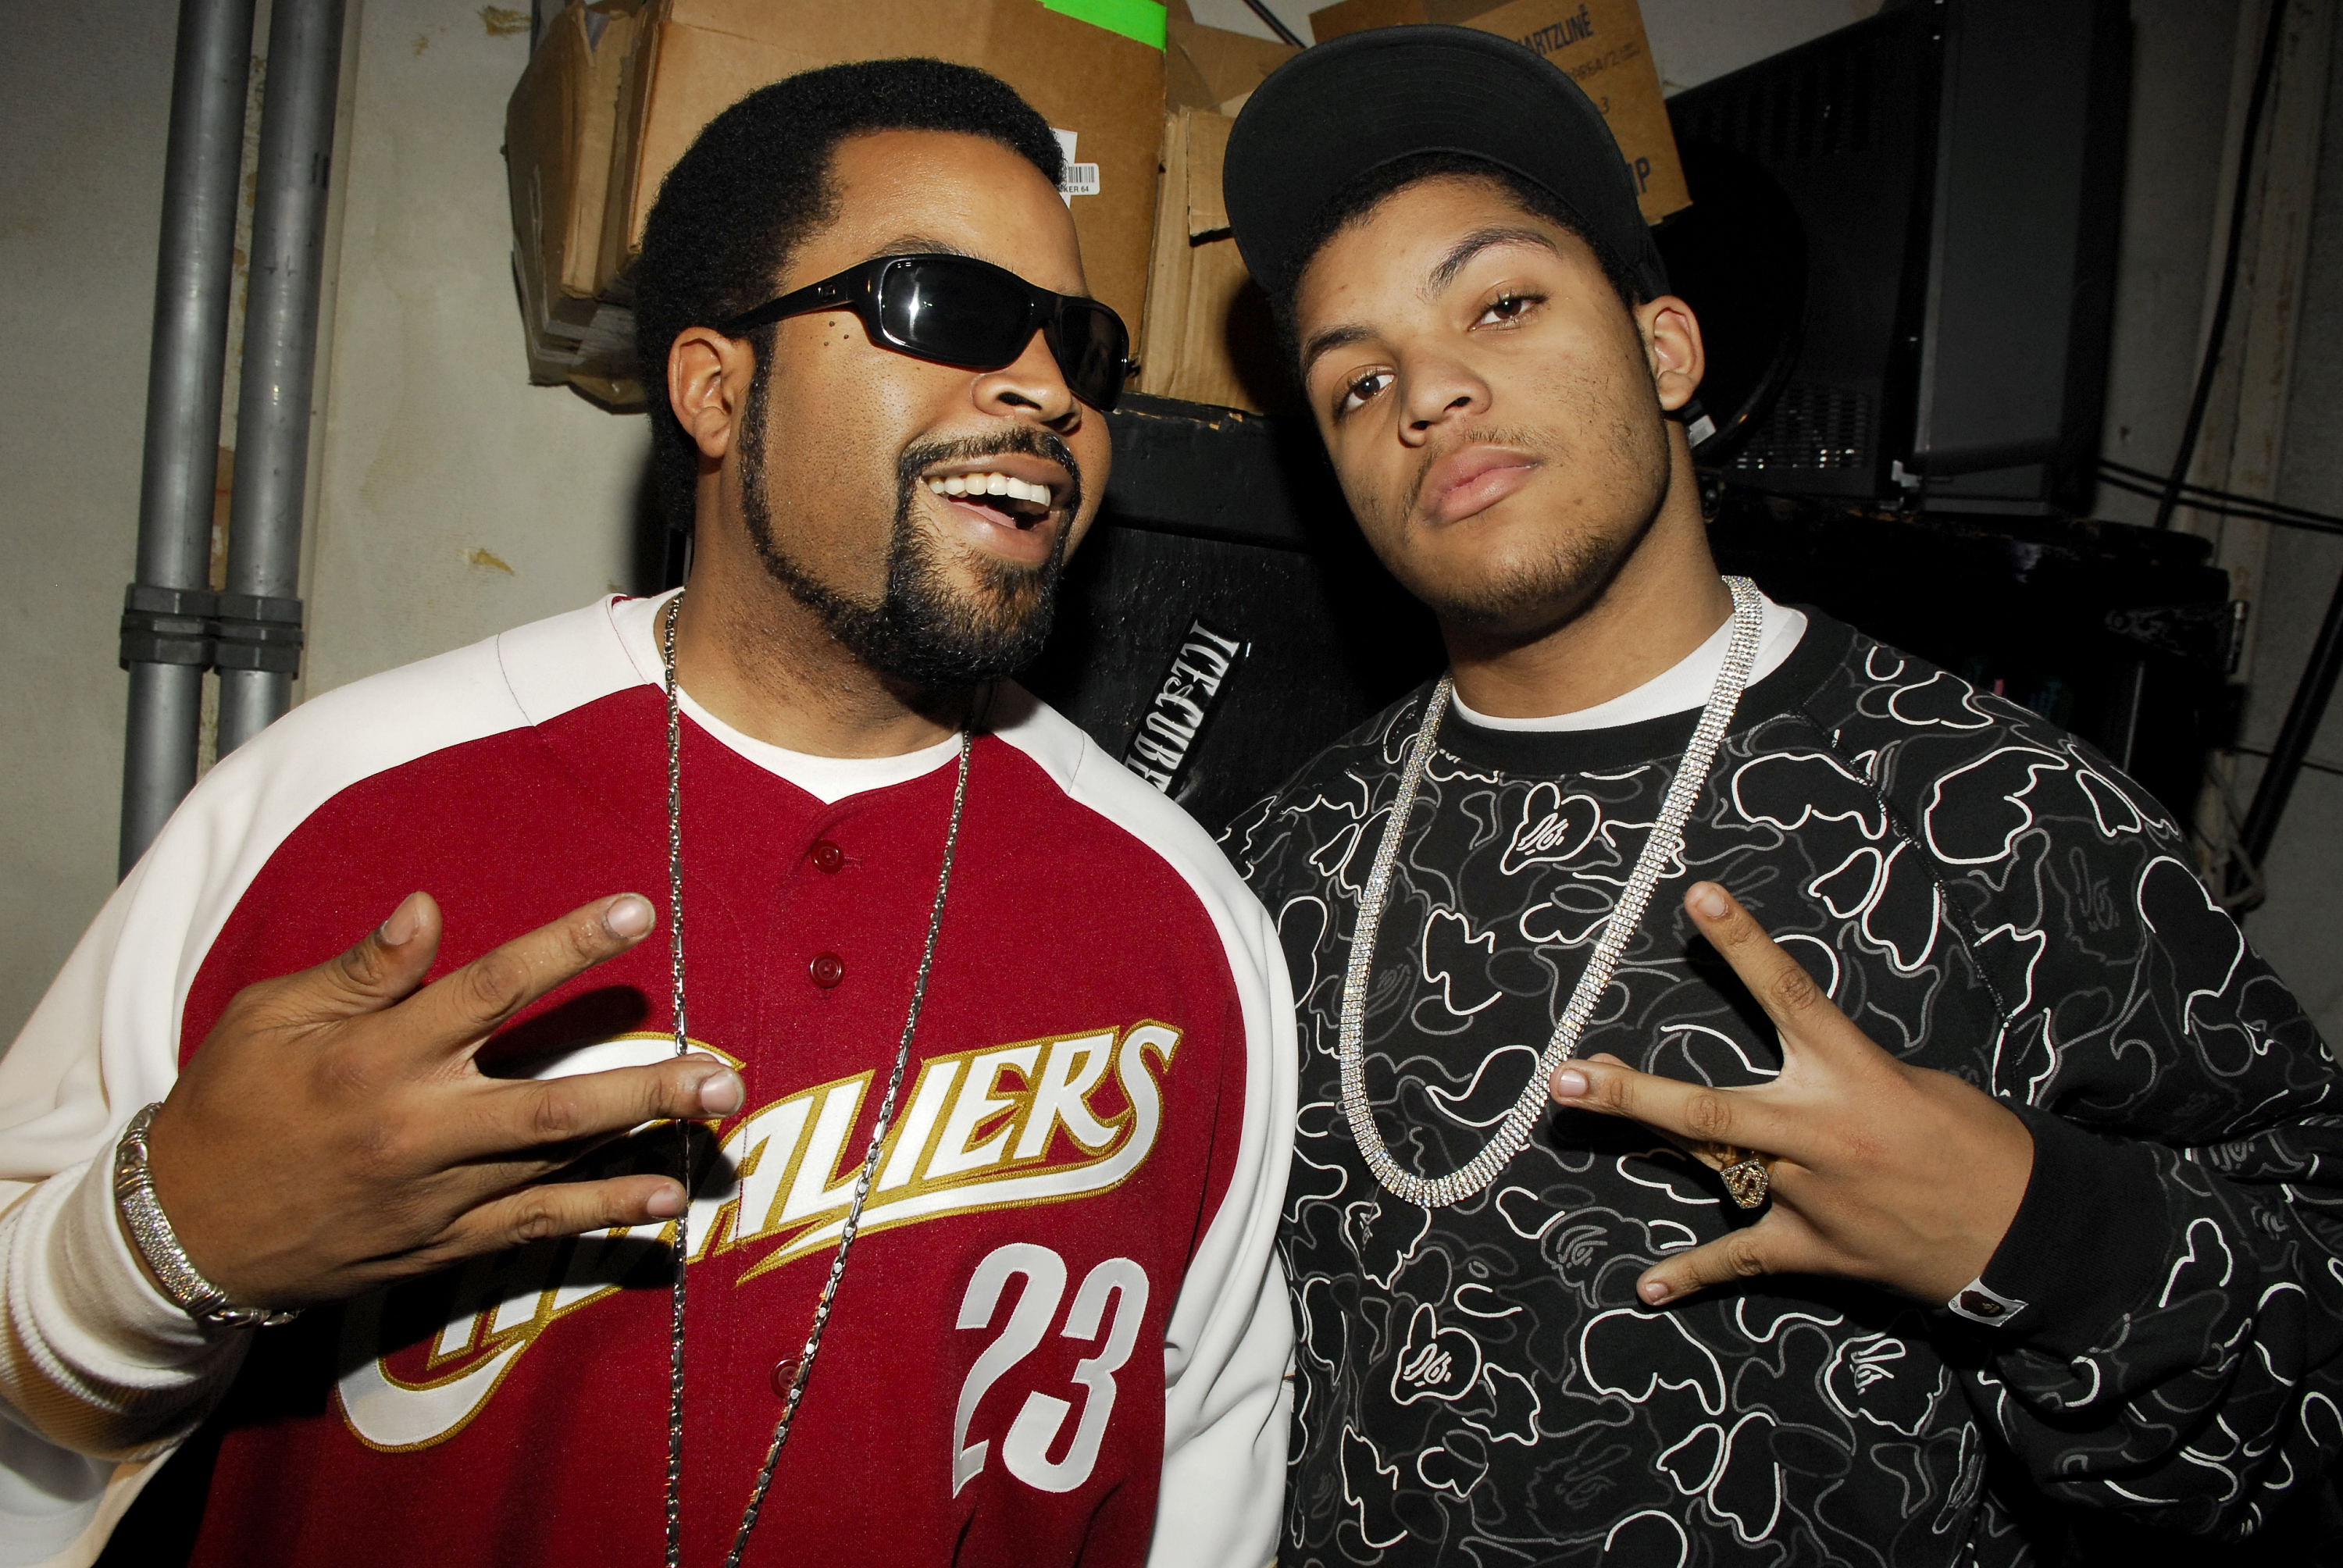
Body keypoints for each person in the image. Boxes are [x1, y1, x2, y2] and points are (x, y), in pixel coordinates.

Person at [0, 60, 1293, 1568]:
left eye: (1084, 344)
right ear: (716, 388)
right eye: (944, 306)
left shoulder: (1181, 915)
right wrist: (166, 1250)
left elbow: (1208, 1471)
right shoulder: (335, 804)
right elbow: (33, 1408)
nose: (1048, 391)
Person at [1217, 26, 2343, 1566]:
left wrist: (2032, 1228)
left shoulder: (1996, 816)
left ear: (1667, 349)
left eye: (1505, 301)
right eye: (1356, 382)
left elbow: (2313, 1365)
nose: (1430, 392)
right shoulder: (1279, 870)